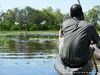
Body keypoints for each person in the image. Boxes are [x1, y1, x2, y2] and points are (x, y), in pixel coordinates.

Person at [55, 4, 100, 75]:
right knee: (92, 47)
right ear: (82, 14)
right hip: (80, 62)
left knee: (61, 40)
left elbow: (65, 35)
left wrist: (60, 36)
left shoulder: (65, 23)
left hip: (66, 59)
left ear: (70, 14)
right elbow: (97, 42)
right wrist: (89, 41)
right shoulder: (89, 26)